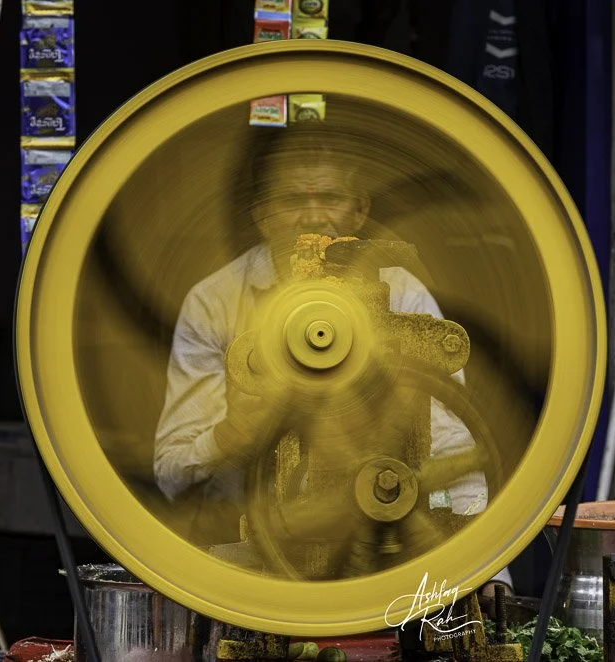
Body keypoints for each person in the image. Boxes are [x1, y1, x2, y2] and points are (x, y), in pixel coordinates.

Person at [153, 124, 512, 595]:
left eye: (330, 198)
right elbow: (171, 472)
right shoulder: (216, 302)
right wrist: (230, 435)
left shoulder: (403, 295)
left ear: (359, 210)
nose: (313, 217)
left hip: (383, 545)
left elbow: (451, 446)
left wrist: (486, 570)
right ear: (262, 215)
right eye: (291, 200)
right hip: (246, 558)